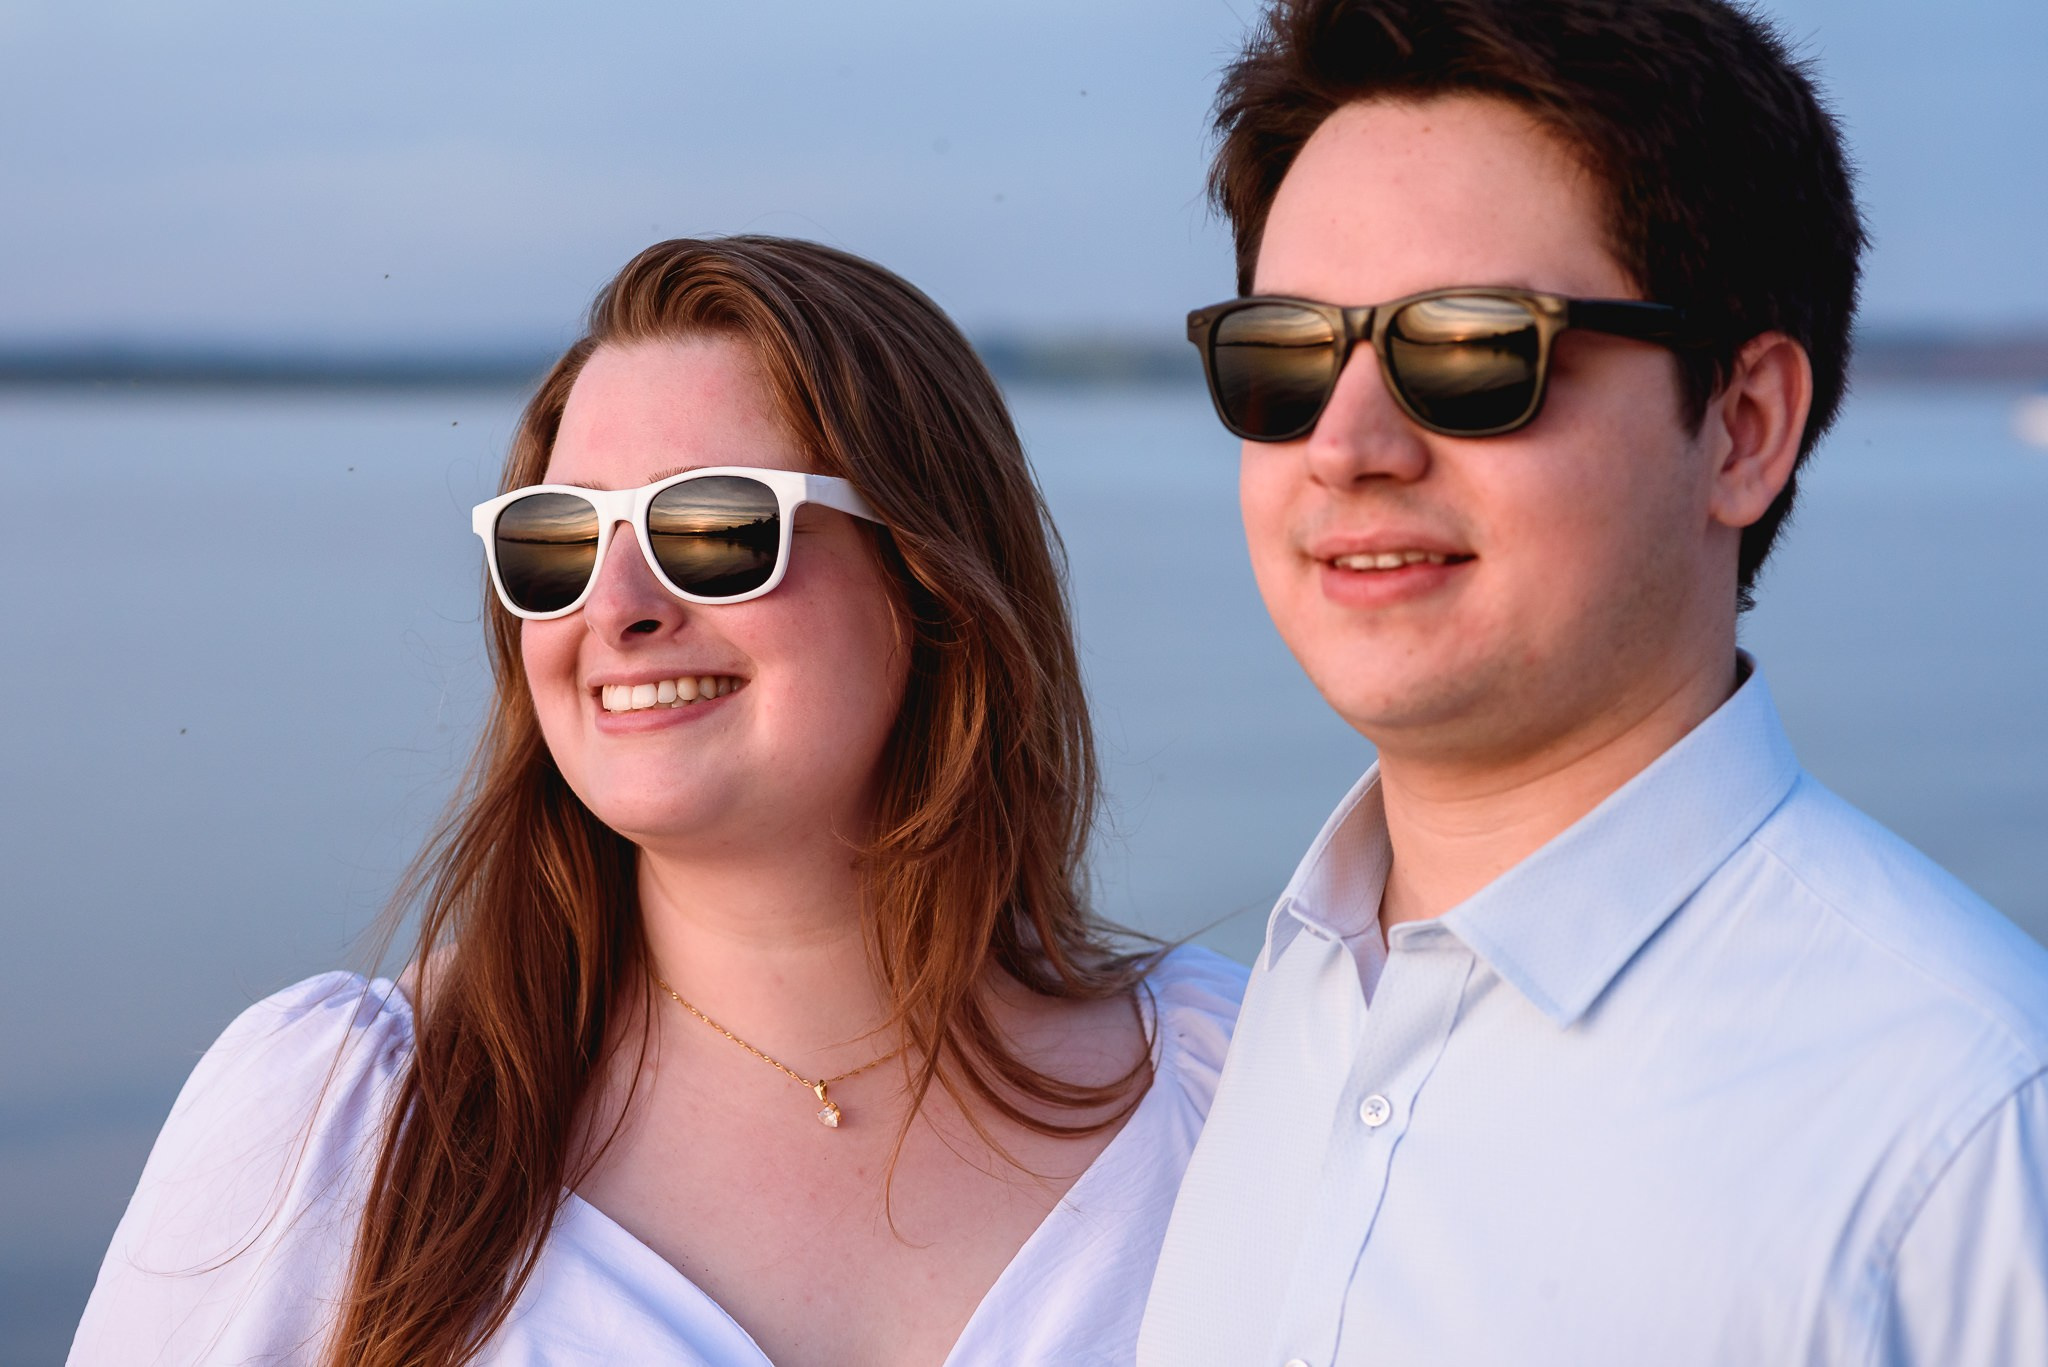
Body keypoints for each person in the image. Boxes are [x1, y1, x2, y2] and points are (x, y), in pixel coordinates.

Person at [71, 236, 1245, 1366]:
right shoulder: (342, 1123)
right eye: (558, 540)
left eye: (716, 526)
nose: (615, 603)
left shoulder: (1223, 1085)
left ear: (930, 578)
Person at [1139, 1, 2048, 1364]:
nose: (1348, 442)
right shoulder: (1260, 1015)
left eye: (1471, 348)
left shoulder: (1963, 1122)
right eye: (1287, 355)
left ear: (1743, 429)